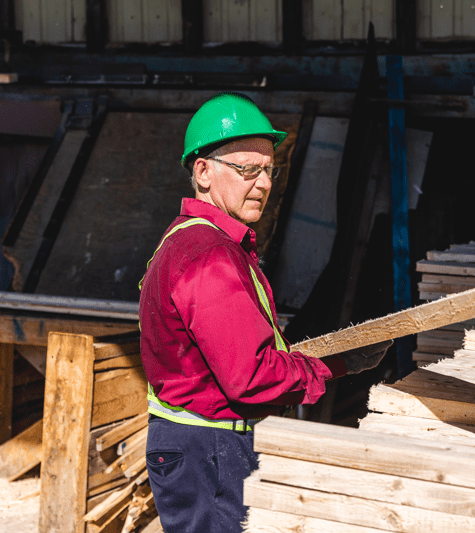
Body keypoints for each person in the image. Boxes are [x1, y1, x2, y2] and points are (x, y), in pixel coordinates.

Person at [138, 92, 391, 532]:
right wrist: (338, 364)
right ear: (203, 171)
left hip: (196, 444)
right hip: (210, 450)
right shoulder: (209, 255)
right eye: (248, 170)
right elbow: (251, 378)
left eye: (270, 170)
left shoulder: (185, 240)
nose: (265, 183)